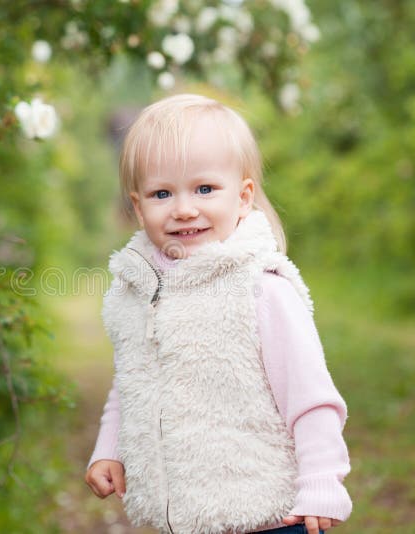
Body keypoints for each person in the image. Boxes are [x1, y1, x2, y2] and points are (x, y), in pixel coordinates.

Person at [84, 94, 352, 534]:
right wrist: (109, 448)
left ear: (243, 197)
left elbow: (311, 397)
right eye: (162, 193)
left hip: (269, 515)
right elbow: (133, 382)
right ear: (137, 206)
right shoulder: (139, 291)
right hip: (186, 519)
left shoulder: (261, 289)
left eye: (204, 189)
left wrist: (322, 480)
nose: (184, 208)